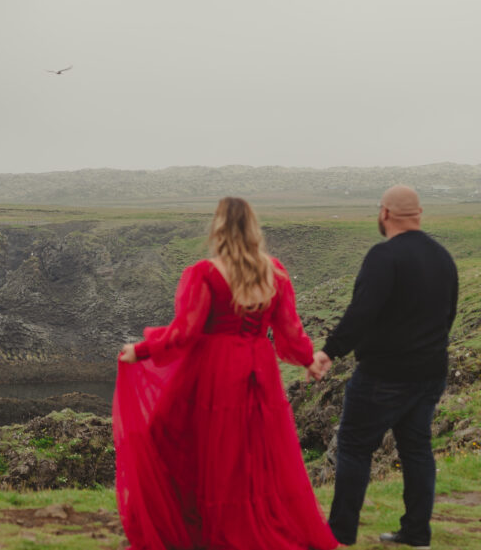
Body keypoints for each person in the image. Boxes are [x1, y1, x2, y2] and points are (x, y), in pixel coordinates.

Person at [113, 196, 338, 550]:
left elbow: (185, 331)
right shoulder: (273, 272)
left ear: (218, 228)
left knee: (183, 442)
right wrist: (309, 359)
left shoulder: (205, 273)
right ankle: (253, 521)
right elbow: (290, 332)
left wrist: (140, 351)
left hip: (215, 371)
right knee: (253, 452)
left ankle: (197, 526)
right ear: (253, 228)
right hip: (259, 371)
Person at [321, 185, 457, 548]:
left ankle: (340, 533)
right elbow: (448, 316)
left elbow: (361, 312)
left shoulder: (384, 257)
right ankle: (417, 533)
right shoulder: (442, 257)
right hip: (430, 373)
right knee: (416, 450)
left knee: (353, 446)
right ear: (419, 213)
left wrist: (329, 351)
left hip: (384, 374)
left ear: (384, 214)